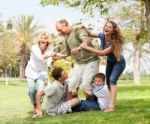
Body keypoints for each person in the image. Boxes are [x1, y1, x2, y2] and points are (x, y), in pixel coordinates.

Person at [79, 21, 126, 112]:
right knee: (108, 81)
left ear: (113, 31)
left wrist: (86, 47)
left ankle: (111, 106)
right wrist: (84, 26)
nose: (107, 28)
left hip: (119, 62)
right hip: (110, 61)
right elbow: (90, 33)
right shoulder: (102, 36)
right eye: (106, 26)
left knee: (112, 80)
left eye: (109, 27)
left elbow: (102, 53)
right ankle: (109, 102)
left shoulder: (114, 42)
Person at [55, 19, 100, 99]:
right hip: (79, 63)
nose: (59, 32)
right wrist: (59, 56)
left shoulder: (78, 30)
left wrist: (79, 49)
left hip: (91, 60)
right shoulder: (66, 38)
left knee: (86, 84)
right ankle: (73, 105)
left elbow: (87, 40)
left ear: (66, 25)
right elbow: (69, 53)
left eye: (60, 29)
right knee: (71, 85)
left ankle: (94, 104)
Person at [25, 32, 56, 116]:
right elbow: (40, 57)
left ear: (47, 40)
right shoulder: (34, 47)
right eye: (41, 38)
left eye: (45, 38)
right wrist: (50, 55)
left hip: (42, 71)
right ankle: (35, 105)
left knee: (40, 90)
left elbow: (49, 63)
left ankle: (39, 109)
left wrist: (53, 60)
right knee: (31, 90)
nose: (43, 39)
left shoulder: (50, 49)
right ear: (39, 39)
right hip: (31, 71)